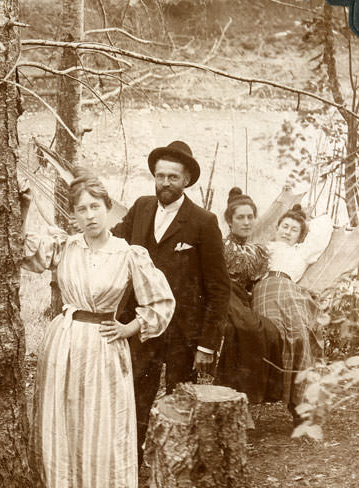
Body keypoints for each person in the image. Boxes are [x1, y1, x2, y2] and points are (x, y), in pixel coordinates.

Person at [22, 171, 175, 488]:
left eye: (95, 207)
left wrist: (130, 327)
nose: (89, 215)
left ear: (108, 209)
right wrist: (26, 207)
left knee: (103, 422)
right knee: (66, 417)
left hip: (106, 345)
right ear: (72, 215)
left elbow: (161, 302)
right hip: (65, 341)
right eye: (80, 209)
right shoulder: (66, 246)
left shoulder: (129, 254)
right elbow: (25, 251)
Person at [111, 140, 230, 455]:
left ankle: (175, 473)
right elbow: (111, 248)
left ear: (187, 180)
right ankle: (130, 469)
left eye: (172, 177)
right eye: (160, 175)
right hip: (141, 325)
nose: (165, 182)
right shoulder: (141, 208)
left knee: (179, 405)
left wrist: (207, 343)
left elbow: (219, 288)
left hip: (183, 333)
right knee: (134, 399)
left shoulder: (204, 222)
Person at [252, 205, 332, 422]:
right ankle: (254, 397)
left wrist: (305, 214)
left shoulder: (302, 252)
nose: (287, 231)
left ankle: (299, 405)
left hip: (290, 291)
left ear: (300, 236)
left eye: (293, 229)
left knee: (299, 336)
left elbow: (324, 226)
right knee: (273, 336)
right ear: (276, 229)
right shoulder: (264, 248)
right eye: (284, 226)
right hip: (265, 290)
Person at [214, 188, 284, 404]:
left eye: (250, 217)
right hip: (224, 296)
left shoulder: (259, 251)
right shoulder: (219, 247)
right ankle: (234, 396)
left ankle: (253, 395)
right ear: (229, 221)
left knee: (270, 331)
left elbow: (258, 284)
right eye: (240, 217)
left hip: (246, 300)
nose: (246, 222)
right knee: (243, 329)